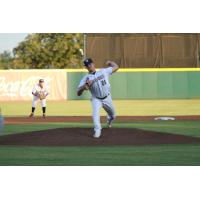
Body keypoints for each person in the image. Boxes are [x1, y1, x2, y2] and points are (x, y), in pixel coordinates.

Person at [77, 58, 119, 138]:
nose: (89, 66)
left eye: (90, 64)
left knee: (113, 115)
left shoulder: (103, 71)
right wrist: (83, 87)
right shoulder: (86, 78)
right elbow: (78, 92)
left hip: (107, 97)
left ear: (93, 64)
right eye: (87, 65)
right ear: (86, 67)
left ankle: (109, 120)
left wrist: (110, 62)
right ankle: (97, 130)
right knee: (95, 113)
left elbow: (116, 67)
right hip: (96, 99)